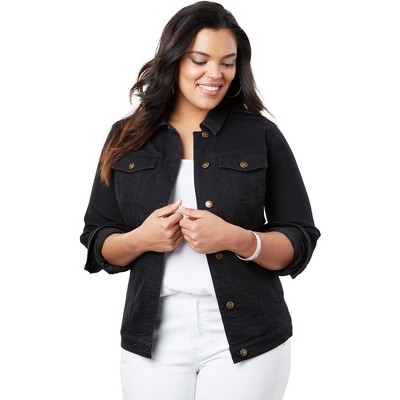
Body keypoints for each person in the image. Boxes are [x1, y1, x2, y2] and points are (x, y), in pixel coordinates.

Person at [80, 1, 320, 399]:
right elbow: (97, 239)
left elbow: (299, 239)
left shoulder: (260, 135)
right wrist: (143, 239)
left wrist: (237, 239)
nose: (216, 74)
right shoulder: (126, 137)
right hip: (153, 334)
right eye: (200, 60)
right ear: (174, 59)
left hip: (248, 335)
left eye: (228, 62)